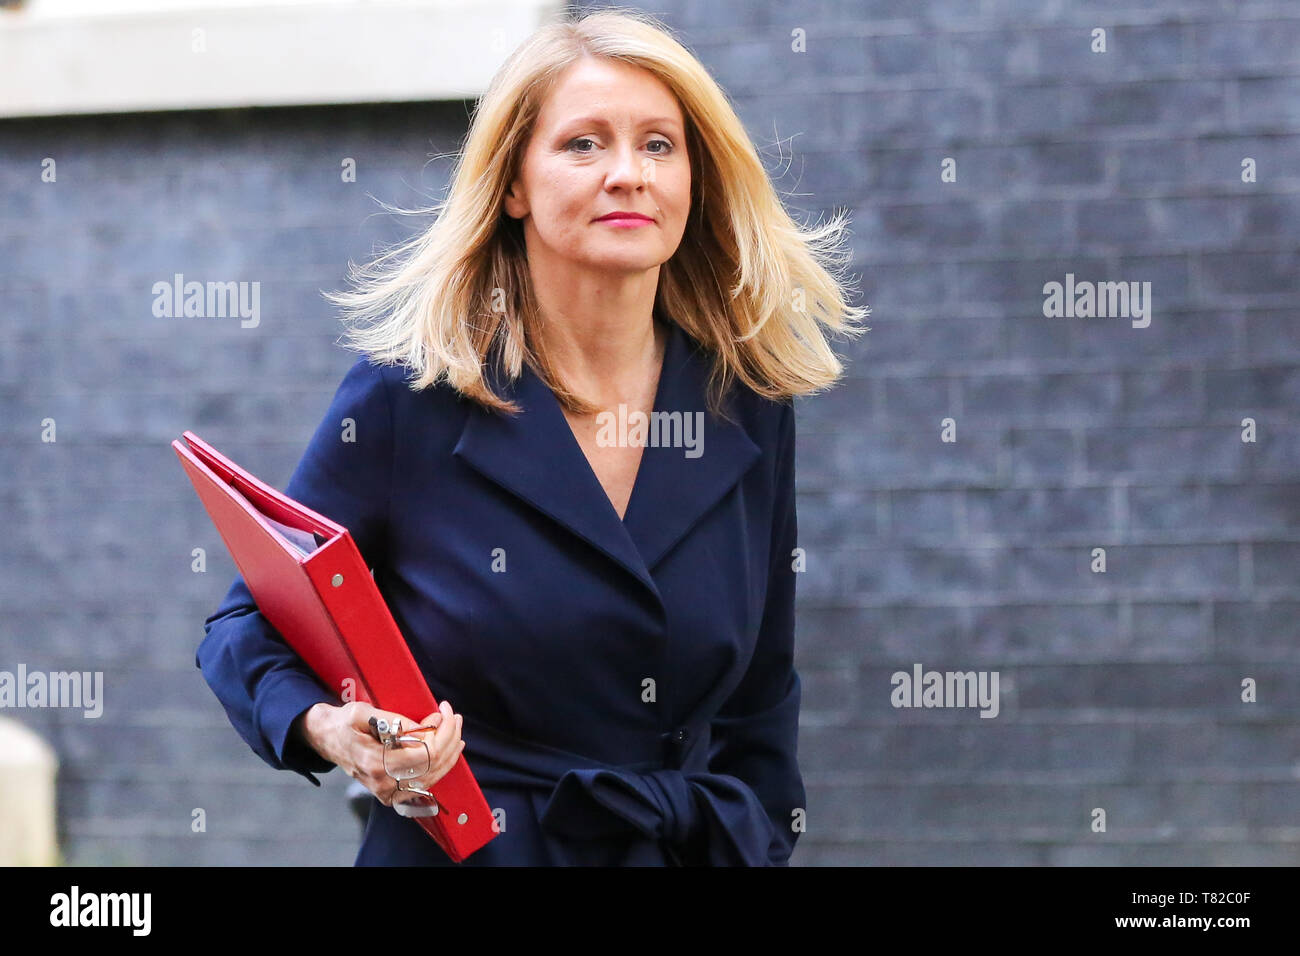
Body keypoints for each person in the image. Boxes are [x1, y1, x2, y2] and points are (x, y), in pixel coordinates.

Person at [197, 7, 869, 866]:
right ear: (513, 183)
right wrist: (338, 731)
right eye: (584, 144)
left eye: (659, 145)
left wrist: (764, 842)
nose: (628, 173)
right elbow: (246, 621)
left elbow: (763, 697)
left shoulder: (747, 403)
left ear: (694, 178)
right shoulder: (414, 396)